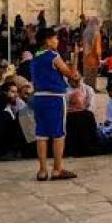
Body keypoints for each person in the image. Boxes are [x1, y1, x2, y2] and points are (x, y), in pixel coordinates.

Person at [32, 26, 81, 181]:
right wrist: (76, 58)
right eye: (55, 38)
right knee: (58, 134)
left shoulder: (35, 57)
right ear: (48, 40)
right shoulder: (53, 55)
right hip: (54, 98)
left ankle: (42, 170)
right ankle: (57, 169)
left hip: (39, 97)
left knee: (41, 134)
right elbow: (71, 74)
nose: (57, 41)